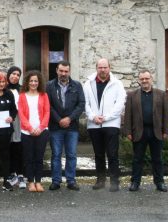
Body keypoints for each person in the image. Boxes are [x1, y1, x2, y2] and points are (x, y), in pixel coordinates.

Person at [84, 58, 126, 192]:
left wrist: (106, 118)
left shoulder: (117, 84)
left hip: (111, 124)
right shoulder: (88, 83)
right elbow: (85, 103)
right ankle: (100, 180)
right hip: (94, 124)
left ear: (109, 68)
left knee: (113, 154)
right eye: (100, 67)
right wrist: (92, 117)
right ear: (96, 68)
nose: (102, 70)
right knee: (98, 154)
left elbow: (120, 104)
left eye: (105, 67)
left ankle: (114, 181)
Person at [124, 70, 168, 192]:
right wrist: (128, 131)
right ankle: (135, 182)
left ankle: (160, 182)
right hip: (139, 132)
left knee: (158, 159)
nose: (144, 81)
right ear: (139, 80)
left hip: (156, 132)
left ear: (151, 79)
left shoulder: (161, 94)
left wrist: (166, 131)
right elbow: (128, 115)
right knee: (137, 159)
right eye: (142, 79)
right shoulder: (132, 95)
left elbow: (166, 114)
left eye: (147, 78)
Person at [46, 61, 85, 191]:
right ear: (56, 70)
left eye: (66, 71)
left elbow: (81, 104)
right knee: (56, 154)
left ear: (69, 71)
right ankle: (56, 181)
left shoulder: (77, 85)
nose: (63, 73)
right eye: (61, 71)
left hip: (72, 126)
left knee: (71, 154)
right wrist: (59, 120)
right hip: (55, 127)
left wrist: (69, 118)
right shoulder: (49, 86)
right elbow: (48, 105)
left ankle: (71, 180)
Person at [19, 70, 50, 193]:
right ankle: (30, 182)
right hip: (27, 132)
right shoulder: (22, 96)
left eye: (35, 81)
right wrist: (30, 128)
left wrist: (41, 127)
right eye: (31, 81)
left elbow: (47, 112)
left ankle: (38, 182)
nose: (33, 83)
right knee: (29, 158)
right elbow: (21, 114)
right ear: (27, 82)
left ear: (39, 82)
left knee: (39, 157)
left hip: (42, 131)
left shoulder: (44, 95)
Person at [7, 66, 26, 189]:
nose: (15, 76)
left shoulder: (22, 90)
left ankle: (20, 173)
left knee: (19, 147)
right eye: (13, 74)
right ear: (8, 75)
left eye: (18, 75)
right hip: (7, 120)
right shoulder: (3, 89)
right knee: (9, 147)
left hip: (20, 121)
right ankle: (11, 173)